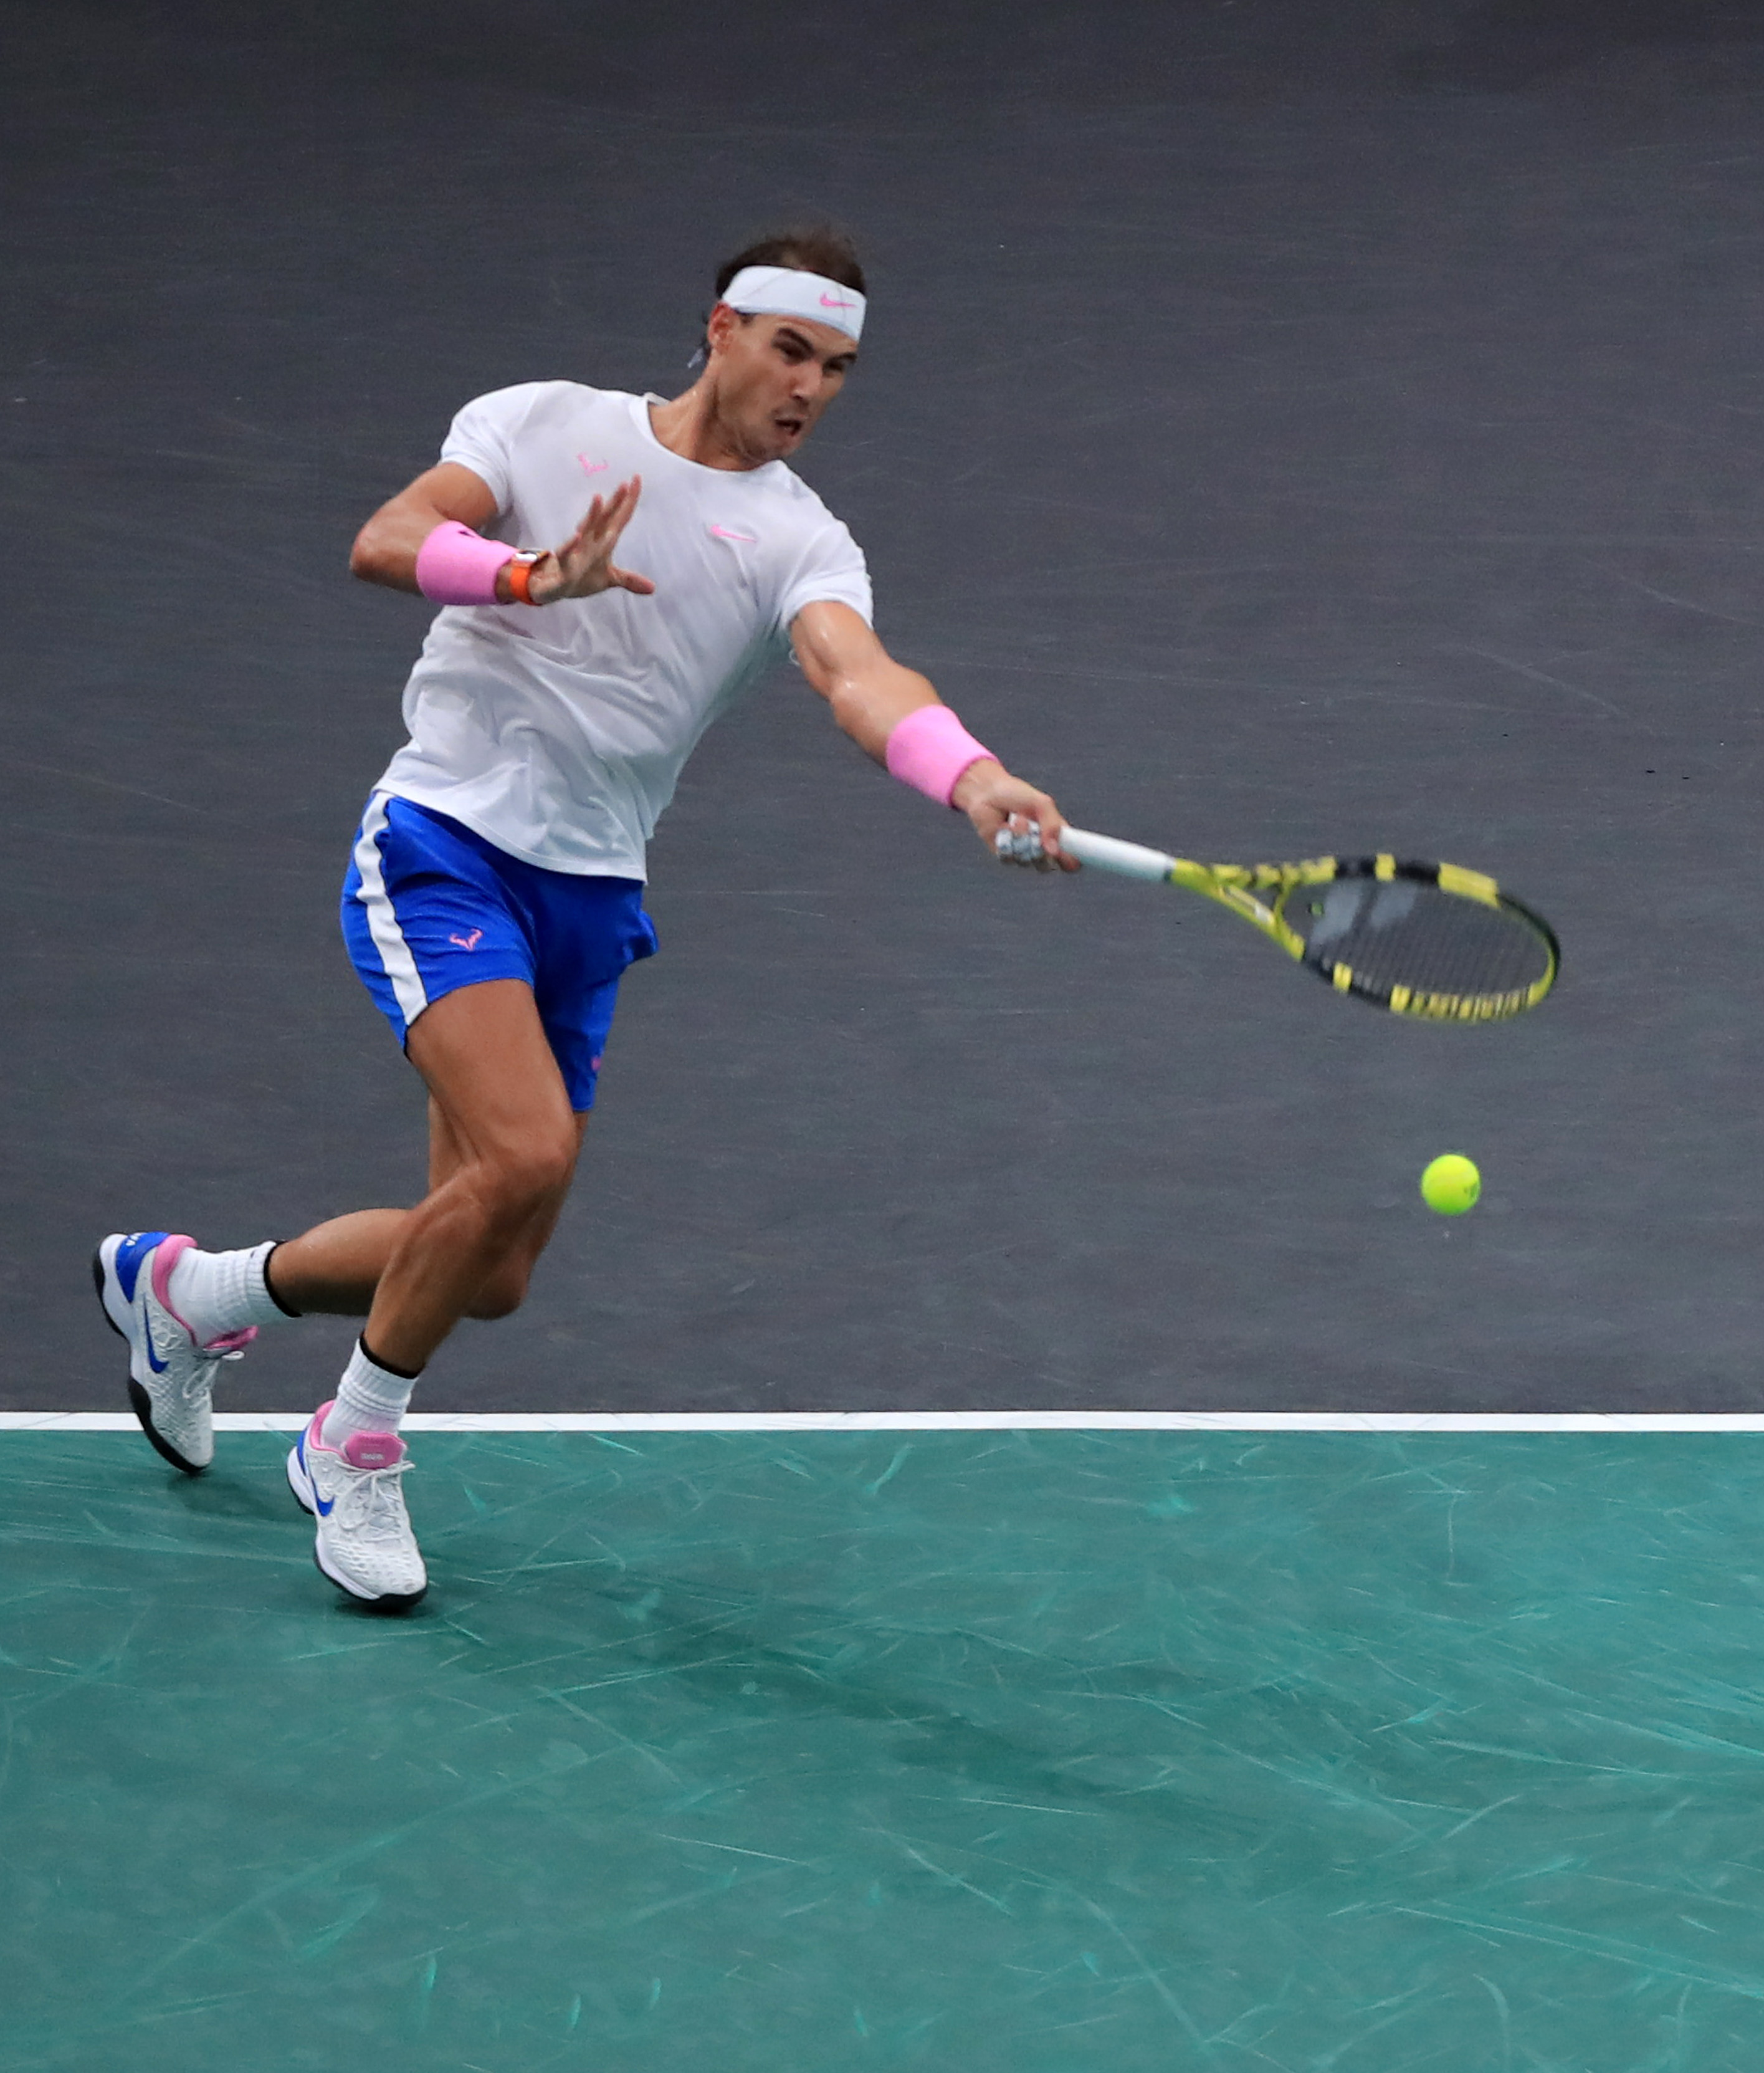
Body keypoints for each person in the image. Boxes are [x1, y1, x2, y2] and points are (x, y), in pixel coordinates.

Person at [95, 226, 1072, 1611]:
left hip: (592, 892)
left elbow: (859, 675)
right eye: (790, 349)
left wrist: (968, 773)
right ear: (722, 329)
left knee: (490, 1263)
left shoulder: (802, 538)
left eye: (838, 368)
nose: (809, 386)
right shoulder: (544, 424)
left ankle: (191, 1293)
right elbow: (388, 536)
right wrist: (523, 575)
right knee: (527, 1148)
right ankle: (352, 1442)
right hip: (445, 841)